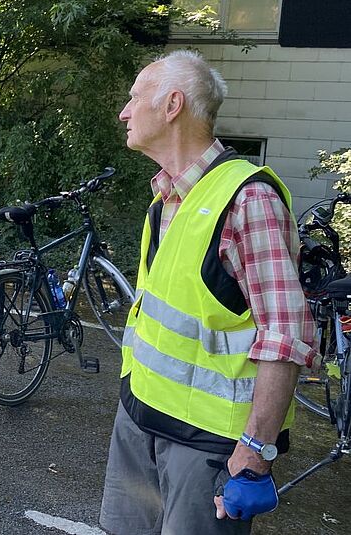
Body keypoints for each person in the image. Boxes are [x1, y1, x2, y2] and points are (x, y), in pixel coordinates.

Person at [100, 49, 317, 534]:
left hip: (207, 448)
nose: (125, 111)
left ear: (172, 104)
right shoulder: (168, 198)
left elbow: (285, 336)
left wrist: (256, 453)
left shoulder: (248, 200)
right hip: (140, 419)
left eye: (135, 98)